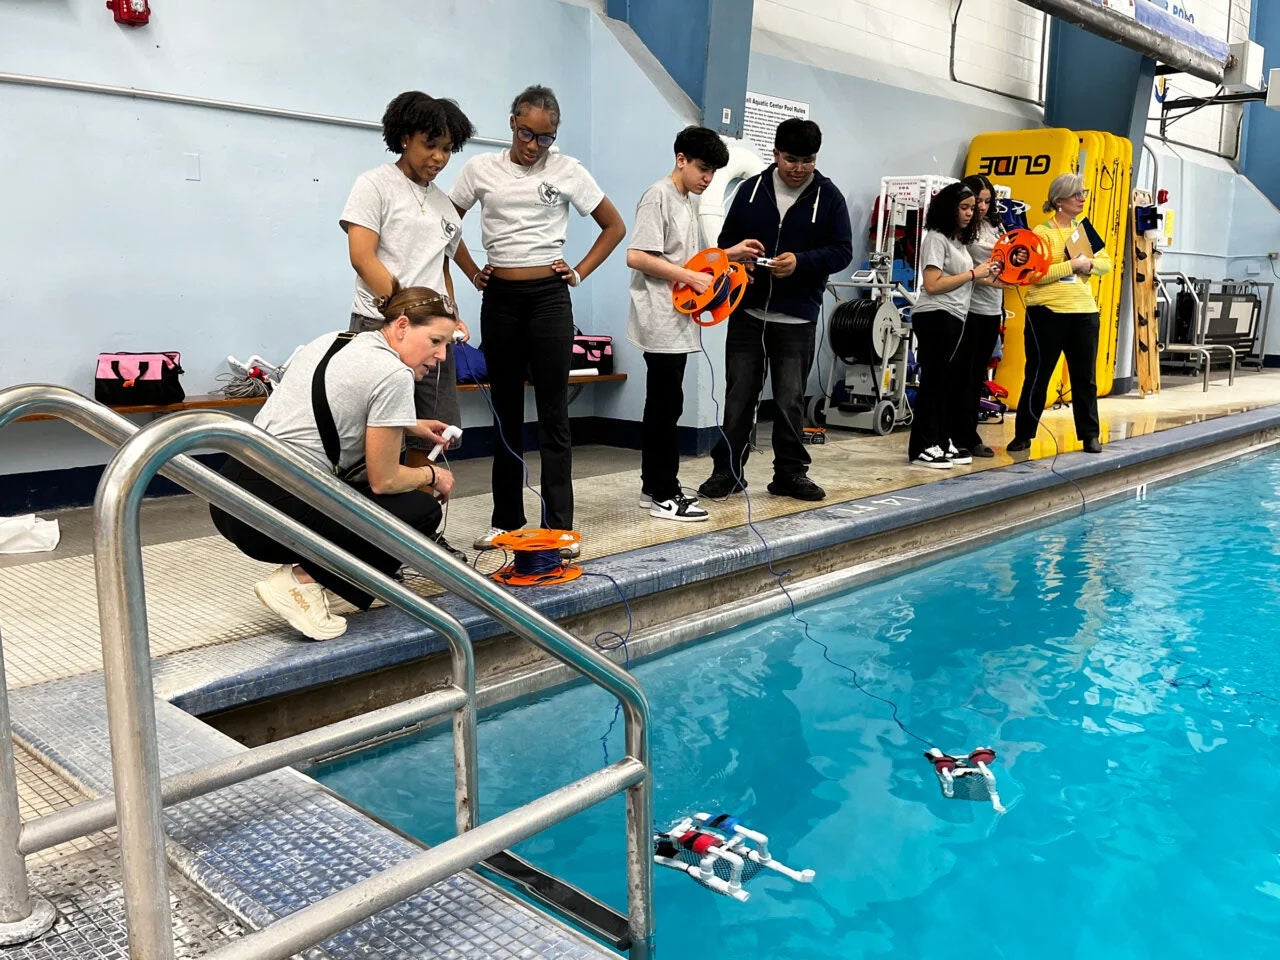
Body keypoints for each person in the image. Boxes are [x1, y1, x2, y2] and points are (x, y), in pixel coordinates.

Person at [210, 283, 459, 641]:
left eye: (448, 344)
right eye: (436, 341)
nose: (442, 356)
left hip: (229, 493)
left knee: (375, 488)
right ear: (402, 326)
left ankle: (316, 578)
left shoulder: (335, 340)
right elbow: (383, 480)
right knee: (418, 509)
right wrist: (434, 474)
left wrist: (411, 423)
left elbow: (332, 401)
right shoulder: (394, 374)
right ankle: (302, 581)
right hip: (270, 510)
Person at [449, 85, 626, 557]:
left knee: (554, 413)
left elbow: (615, 226)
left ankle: (557, 527)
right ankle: (506, 520)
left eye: (545, 138)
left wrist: (578, 272)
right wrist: (471, 270)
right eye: (527, 134)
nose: (534, 146)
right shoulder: (480, 170)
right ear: (512, 123)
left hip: (549, 300)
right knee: (505, 410)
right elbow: (444, 224)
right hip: (501, 298)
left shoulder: (568, 171)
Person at [698, 118, 853, 503]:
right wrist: (743, 259)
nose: (799, 168)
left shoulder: (829, 197)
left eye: (808, 160)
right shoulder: (751, 190)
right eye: (791, 159)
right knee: (738, 397)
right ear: (775, 154)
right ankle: (728, 472)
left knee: (789, 399)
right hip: (748, 313)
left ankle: (790, 474)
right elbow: (725, 241)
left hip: (797, 317)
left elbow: (842, 250)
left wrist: (800, 262)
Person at [626, 126, 765, 522]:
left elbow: (688, 259)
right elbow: (637, 256)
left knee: (666, 403)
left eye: (713, 173)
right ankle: (664, 493)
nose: (707, 179)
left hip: (677, 318)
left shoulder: (685, 198)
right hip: (659, 317)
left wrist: (729, 254)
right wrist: (689, 279)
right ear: (681, 159)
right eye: (703, 169)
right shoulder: (659, 196)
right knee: (666, 406)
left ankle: (652, 486)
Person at [341, 91, 482, 449]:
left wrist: (450, 316)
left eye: (447, 149)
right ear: (405, 138)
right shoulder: (374, 185)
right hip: (381, 326)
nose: (438, 157)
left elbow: (442, 265)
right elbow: (362, 256)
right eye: (430, 145)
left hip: (433, 336)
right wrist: (404, 310)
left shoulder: (444, 205)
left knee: (435, 436)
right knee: (374, 434)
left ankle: (423, 501)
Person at [1007, 172, 1111, 455]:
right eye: (1076, 194)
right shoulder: (1042, 233)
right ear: (1059, 200)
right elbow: (1035, 275)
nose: (1082, 199)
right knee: (1038, 376)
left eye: (1084, 193)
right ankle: (1023, 434)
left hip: (1084, 314)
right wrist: (1071, 266)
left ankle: (1090, 435)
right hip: (1046, 314)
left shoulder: (1083, 230)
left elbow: (1106, 263)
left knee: (1085, 379)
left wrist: (1086, 264)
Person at [906, 181, 1000, 469]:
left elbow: (972, 276)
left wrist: (996, 274)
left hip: (955, 316)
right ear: (949, 208)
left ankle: (941, 439)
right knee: (934, 382)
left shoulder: (958, 240)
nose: (972, 212)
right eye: (965, 207)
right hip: (936, 314)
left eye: (973, 207)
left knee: (948, 383)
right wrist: (973, 273)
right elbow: (933, 284)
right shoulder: (936, 237)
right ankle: (921, 446)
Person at [958, 174, 1008, 459]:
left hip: (992, 309)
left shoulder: (995, 225)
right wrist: (999, 281)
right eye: (978, 201)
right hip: (970, 309)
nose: (982, 207)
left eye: (988, 201)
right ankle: (962, 433)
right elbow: (966, 272)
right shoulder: (963, 229)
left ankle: (969, 431)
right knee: (964, 375)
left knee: (978, 375)